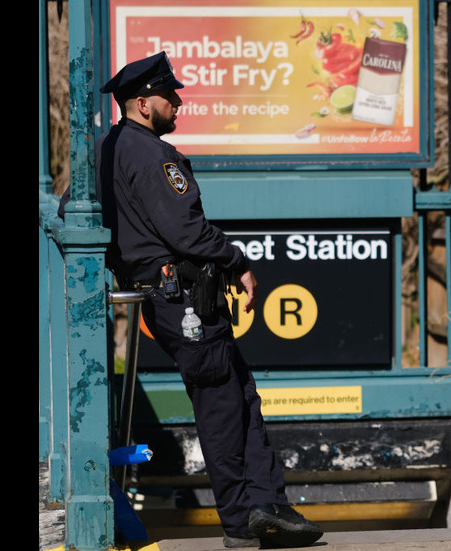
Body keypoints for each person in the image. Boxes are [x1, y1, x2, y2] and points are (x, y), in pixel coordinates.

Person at [61, 52, 323, 549]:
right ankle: (243, 520)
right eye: (169, 96)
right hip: (183, 300)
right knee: (224, 405)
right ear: (142, 103)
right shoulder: (152, 154)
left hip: (166, 297)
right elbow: (187, 231)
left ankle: (270, 505)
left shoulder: (103, 150)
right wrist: (238, 261)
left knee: (240, 395)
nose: (177, 102)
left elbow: (67, 208)